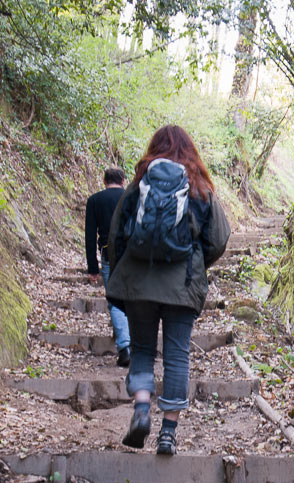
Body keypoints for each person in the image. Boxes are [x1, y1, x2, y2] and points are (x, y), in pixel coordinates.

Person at [106, 126, 230, 455]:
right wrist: (196, 262)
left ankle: (142, 411)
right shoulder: (200, 187)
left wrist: (121, 269)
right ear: (190, 151)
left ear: (154, 148)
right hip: (182, 285)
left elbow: (117, 232)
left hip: (139, 281)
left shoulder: (139, 184)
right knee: (177, 355)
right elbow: (218, 239)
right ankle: (168, 434)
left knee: (143, 349)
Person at [85, 167, 131, 367]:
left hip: (108, 255)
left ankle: (125, 346)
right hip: (132, 255)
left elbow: (89, 236)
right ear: (123, 180)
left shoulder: (95, 200)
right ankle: (131, 342)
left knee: (115, 301)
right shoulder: (131, 198)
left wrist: (92, 267)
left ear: (104, 181)